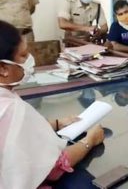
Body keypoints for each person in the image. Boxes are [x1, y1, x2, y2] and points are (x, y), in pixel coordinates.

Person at [0, 21, 105, 188]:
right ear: (3, 68)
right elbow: (54, 168)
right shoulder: (12, 109)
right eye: (24, 55)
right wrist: (90, 140)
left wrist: (57, 123)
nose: (30, 60)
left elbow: (16, 132)